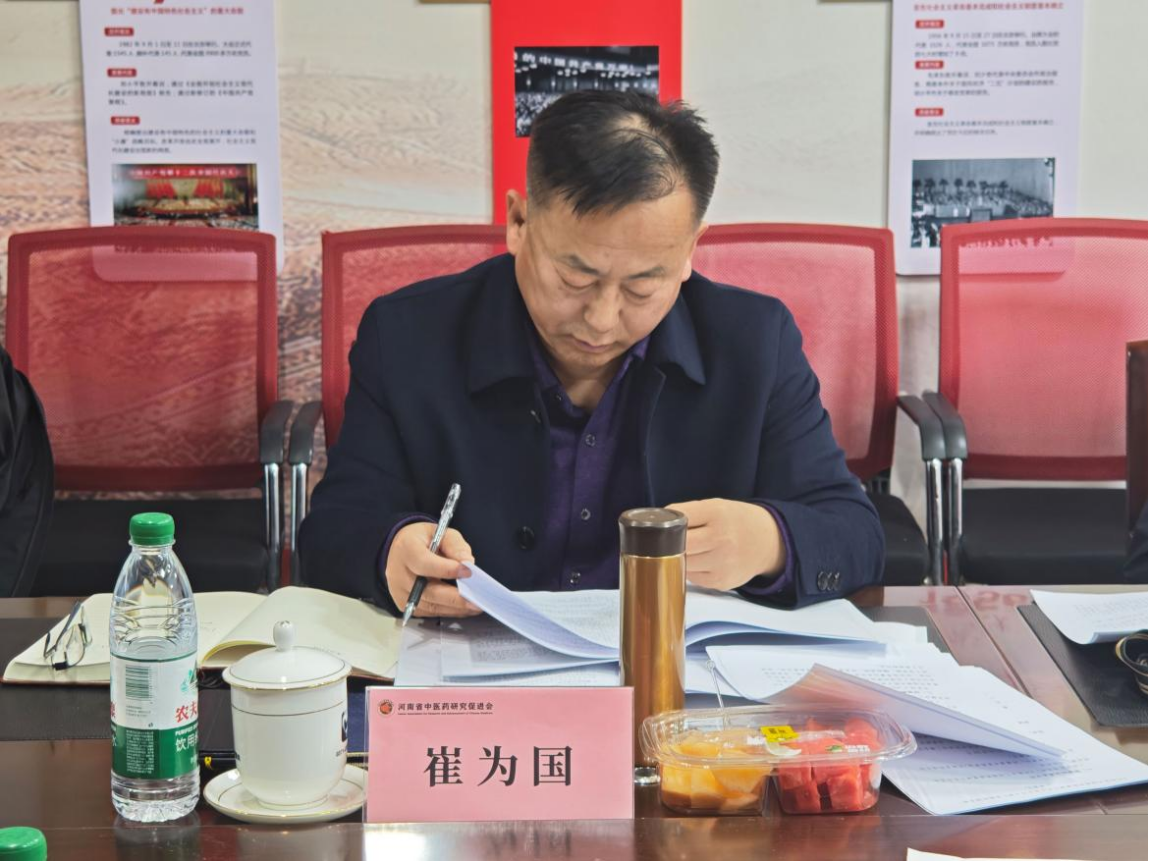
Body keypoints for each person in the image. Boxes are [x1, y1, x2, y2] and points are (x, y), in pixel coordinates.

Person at [299, 90, 884, 618]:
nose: (602, 319)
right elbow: (335, 528)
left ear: (689, 251)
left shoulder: (754, 342)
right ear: (519, 222)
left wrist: (767, 540)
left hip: (673, 679)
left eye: (642, 286)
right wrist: (391, 552)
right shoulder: (408, 336)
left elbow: (855, 534)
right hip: (475, 673)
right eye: (575, 278)